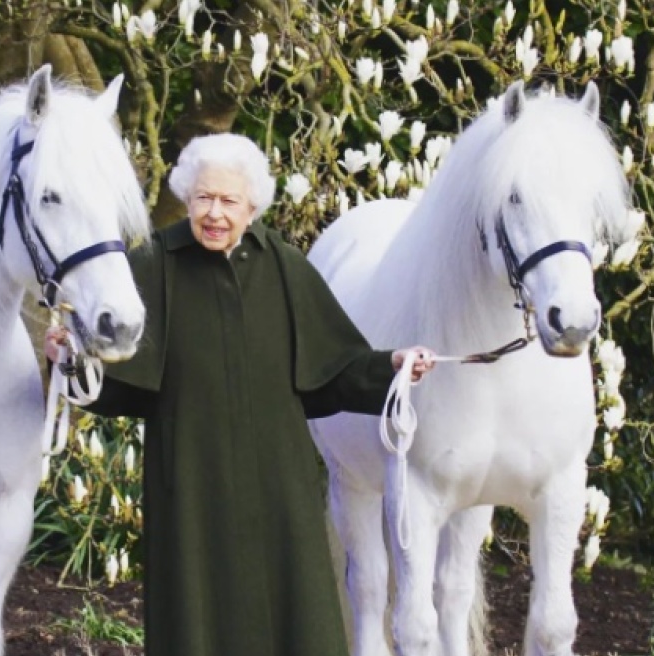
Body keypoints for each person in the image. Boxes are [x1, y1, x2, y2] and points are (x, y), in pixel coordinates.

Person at [44, 133, 435, 656]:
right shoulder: (154, 263)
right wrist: (71, 357)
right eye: (204, 198)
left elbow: (335, 367)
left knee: (295, 616)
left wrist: (392, 366)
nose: (215, 214)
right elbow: (111, 376)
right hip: (190, 486)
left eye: (229, 201)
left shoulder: (283, 265)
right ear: (186, 198)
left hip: (280, 489)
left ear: (252, 207)